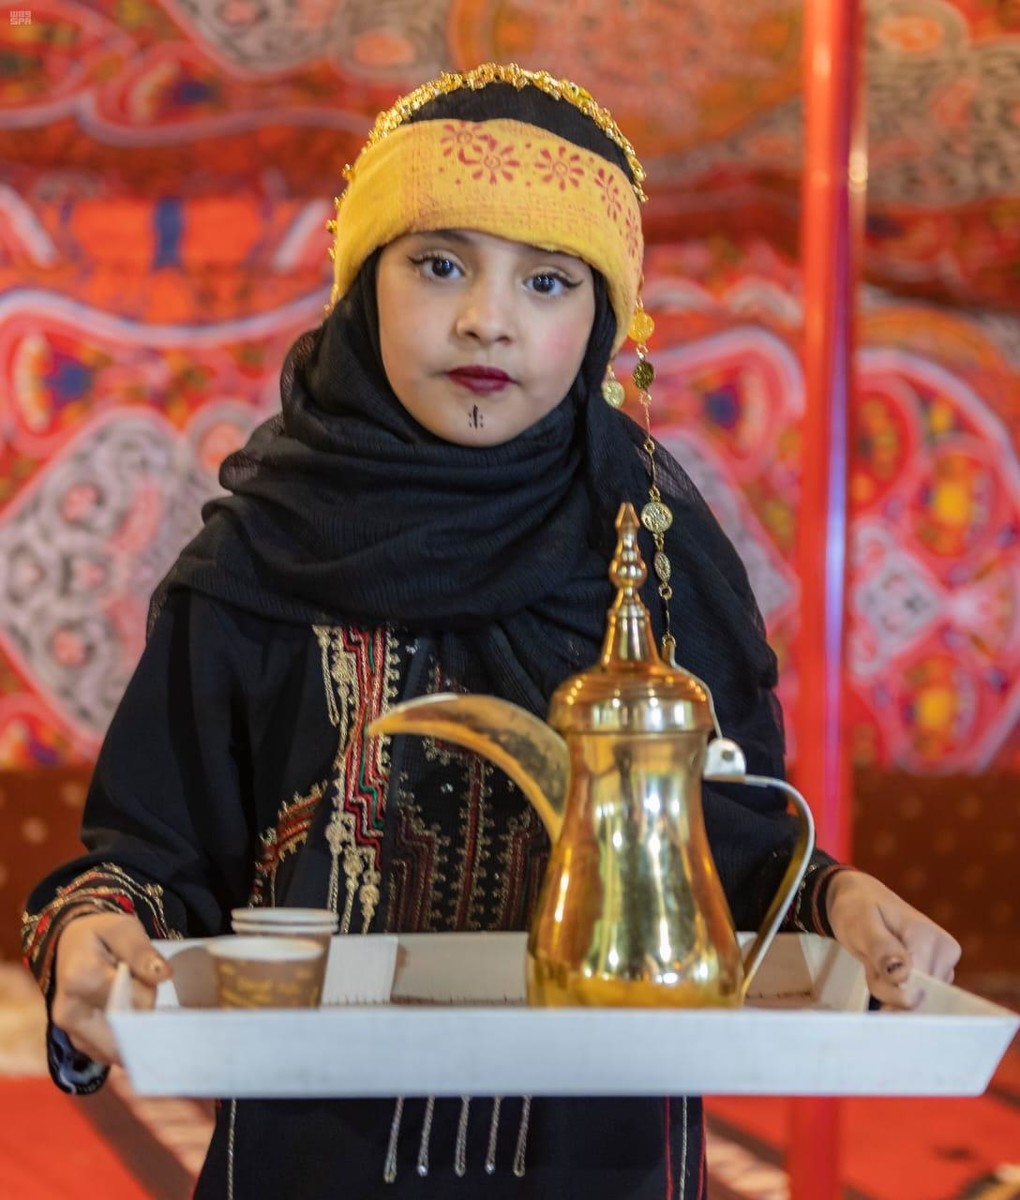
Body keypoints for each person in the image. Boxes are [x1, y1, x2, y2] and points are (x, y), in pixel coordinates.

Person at [21, 62, 960, 1198]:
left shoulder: (653, 562)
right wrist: (95, 937)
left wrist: (837, 901)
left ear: (602, 321)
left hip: (600, 1164)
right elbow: (150, 866)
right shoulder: (256, 564)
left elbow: (729, 857)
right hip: (311, 1161)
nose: (488, 318)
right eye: (438, 263)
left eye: (549, 281)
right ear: (363, 286)